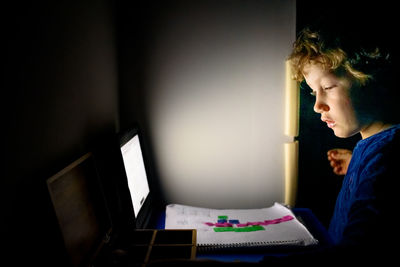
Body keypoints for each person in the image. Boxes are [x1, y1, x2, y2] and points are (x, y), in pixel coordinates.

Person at [283, 24, 400, 264]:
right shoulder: (375, 149)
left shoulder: (384, 158)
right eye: (314, 91)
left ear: (368, 79)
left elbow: (353, 254)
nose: (317, 105)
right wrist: (354, 165)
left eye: (327, 87)